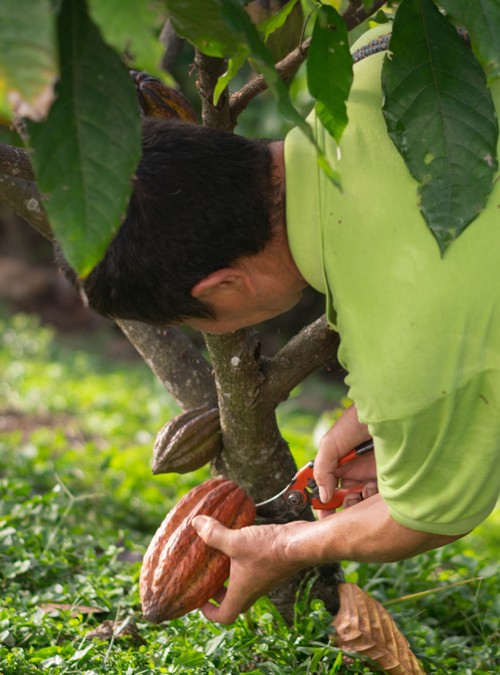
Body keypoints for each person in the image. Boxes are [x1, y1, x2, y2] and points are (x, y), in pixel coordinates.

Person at [64, 28, 500, 625]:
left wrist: (282, 546)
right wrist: (377, 413)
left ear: (222, 286)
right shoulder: (368, 62)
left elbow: (425, 513)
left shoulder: (407, 344)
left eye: (198, 322)